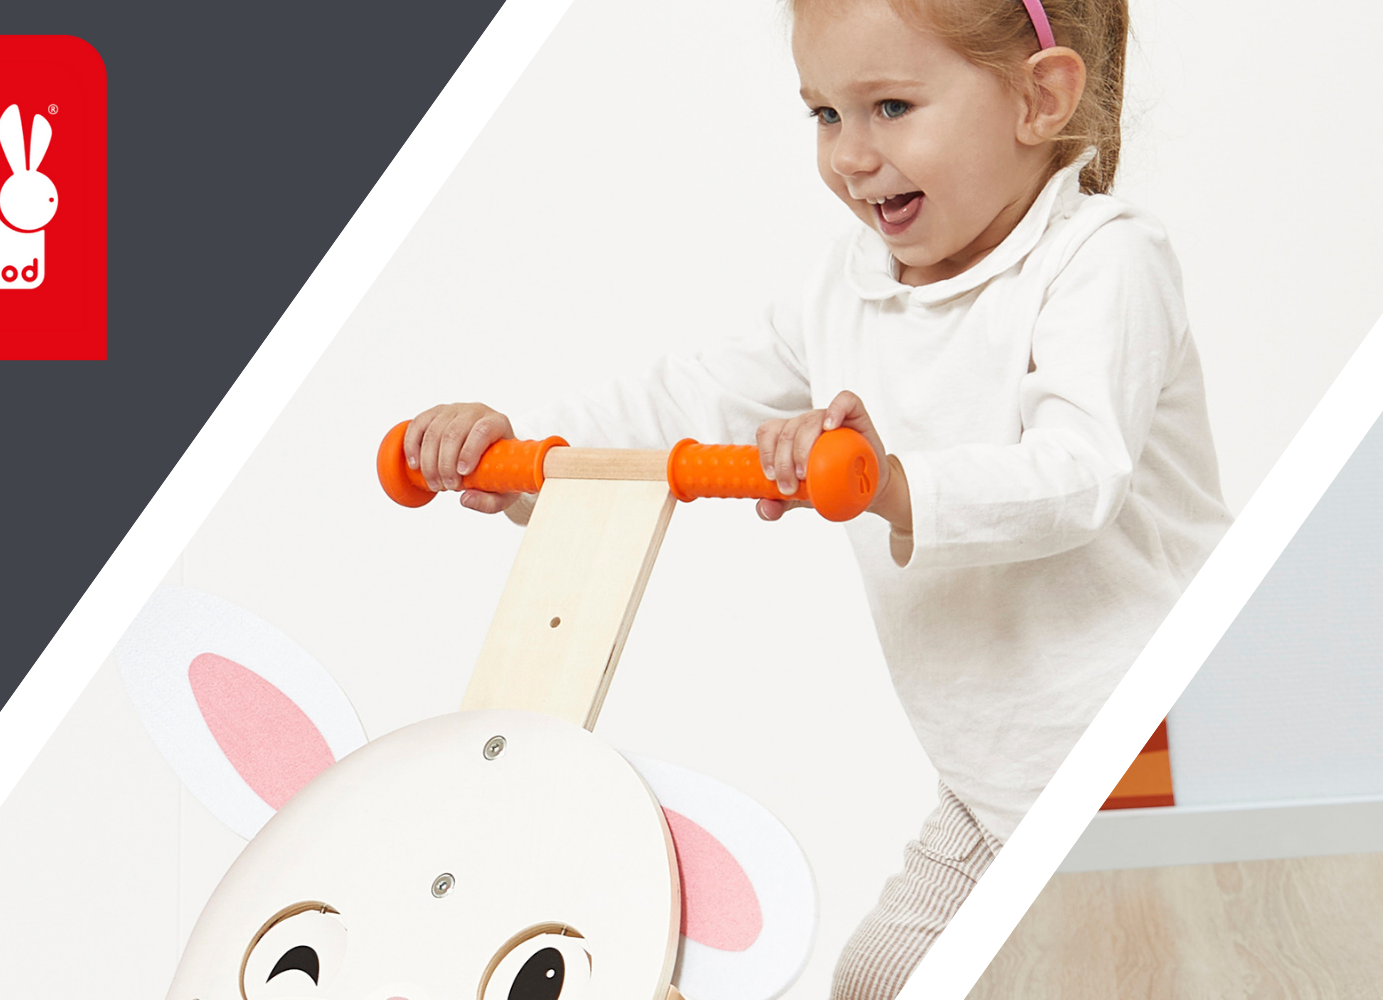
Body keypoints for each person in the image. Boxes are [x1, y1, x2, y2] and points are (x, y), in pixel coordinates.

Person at [400, 1, 1225, 996]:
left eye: (890, 106)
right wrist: (527, 452)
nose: (853, 156)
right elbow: (689, 397)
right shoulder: (850, 291)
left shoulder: (1101, 261)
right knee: (879, 979)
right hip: (992, 787)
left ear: (1039, 100)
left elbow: (1077, 475)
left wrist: (890, 481)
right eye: (825, 116)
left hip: (1160, 762)